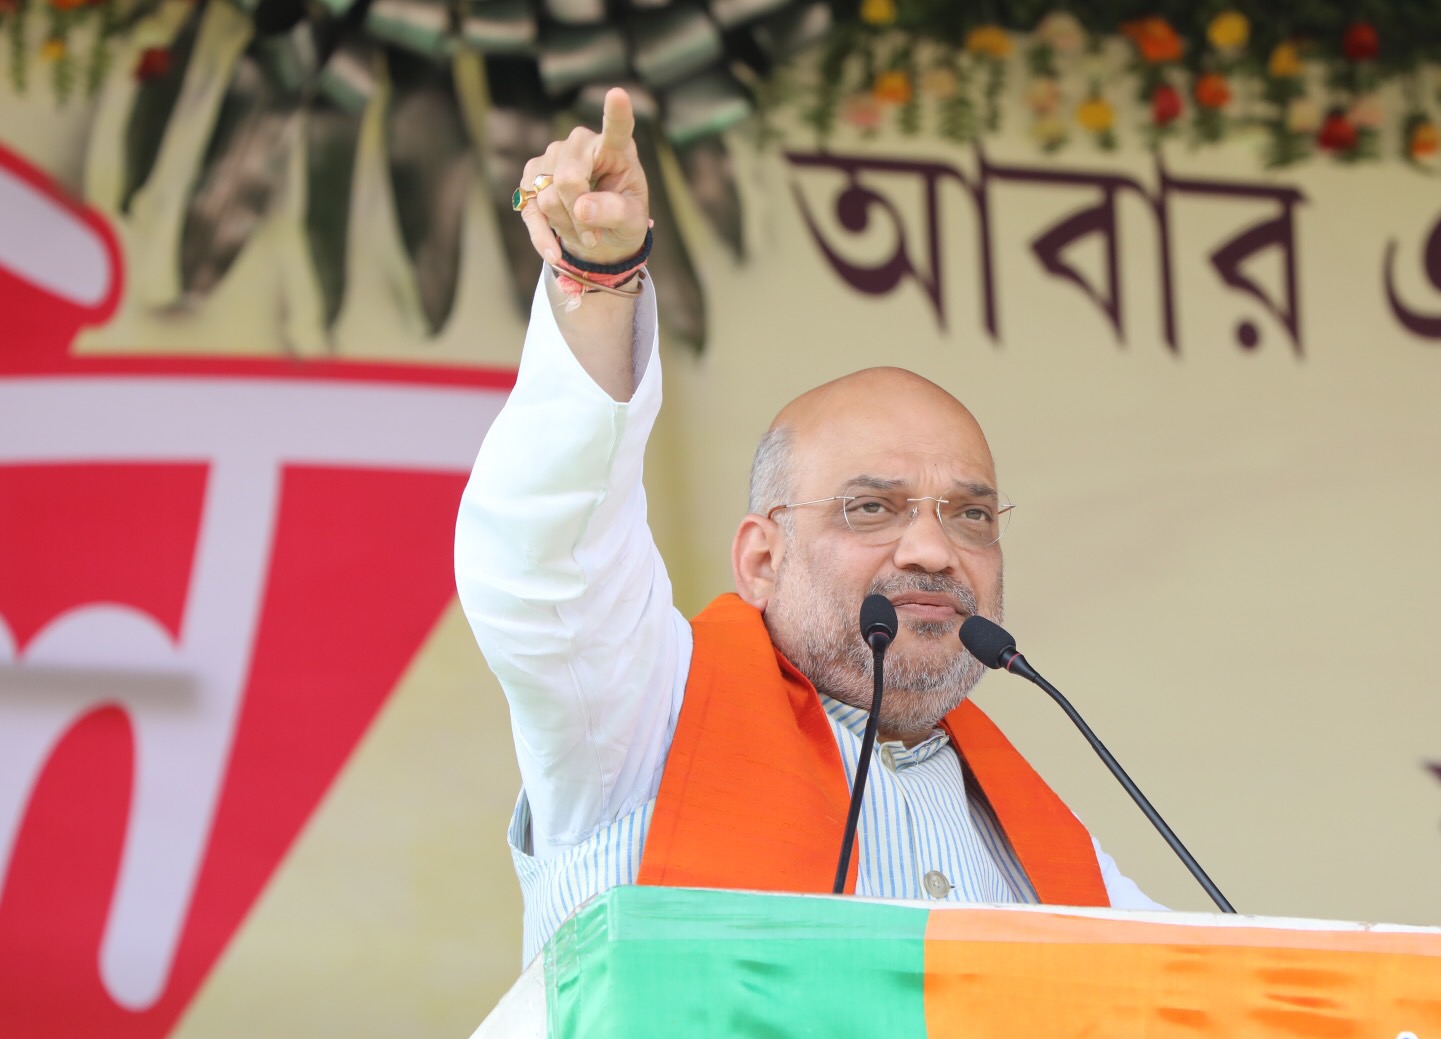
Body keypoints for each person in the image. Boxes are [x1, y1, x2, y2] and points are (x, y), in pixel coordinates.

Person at [455, 89, 1157, 965]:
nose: (935, 551)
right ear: (761, 557)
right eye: (873, 508)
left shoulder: (1055, 852)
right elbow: (545, 563)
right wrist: (599, 283)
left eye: (970, 515)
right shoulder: (644, 724)